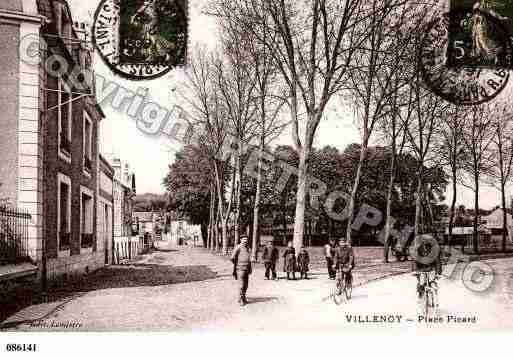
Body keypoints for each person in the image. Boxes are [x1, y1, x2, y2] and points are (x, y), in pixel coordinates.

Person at [230, 236, 252, 306]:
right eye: (244, 239)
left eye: (246, 239)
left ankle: (243, 296)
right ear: (240, 240)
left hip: (247, 268)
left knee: (246, 285)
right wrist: (237, 265)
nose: (245, 241)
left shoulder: (248, 248)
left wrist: (250, 268)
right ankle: (241, 299)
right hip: (240, 269)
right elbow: (232, 258)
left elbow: (249, 259)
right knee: (241, 285)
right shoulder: (238, 247)